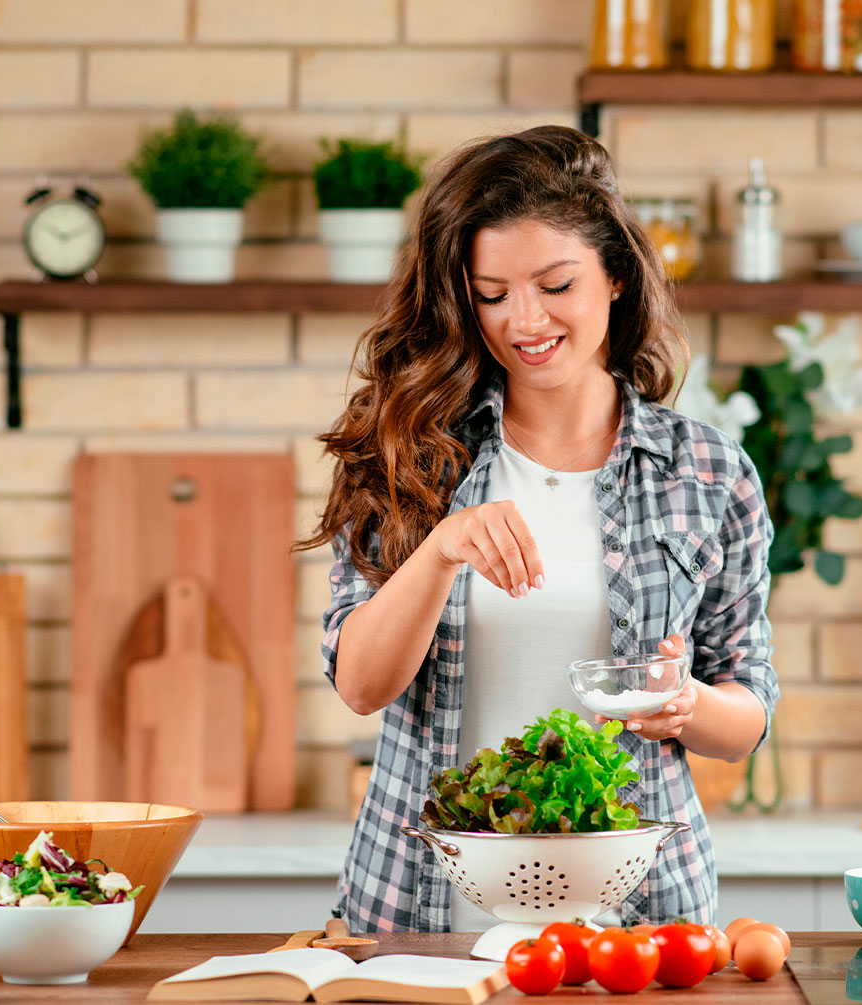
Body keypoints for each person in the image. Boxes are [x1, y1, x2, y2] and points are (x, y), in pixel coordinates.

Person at [298, 125, 777, 932]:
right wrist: (445, 546)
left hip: (637, 921)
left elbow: (748, 713)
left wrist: (683, 701)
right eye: (493, 293)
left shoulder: (707, 470)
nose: (525, 319)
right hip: (423, 912)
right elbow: (361, 685)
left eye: (556, 284)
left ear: (617, 276)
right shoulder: (409, 451)